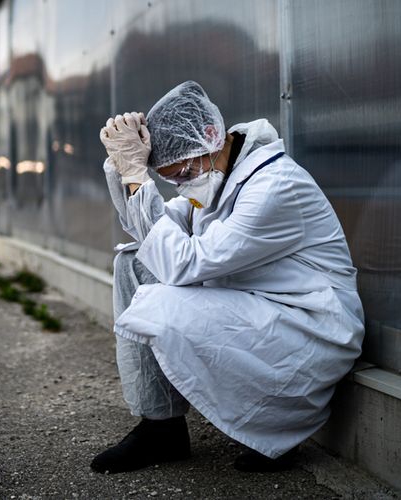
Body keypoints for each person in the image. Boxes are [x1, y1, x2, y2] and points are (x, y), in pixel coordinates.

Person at [92, 81, 364, 474]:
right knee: (134, 263)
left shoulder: (275, 185)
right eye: (175, 180)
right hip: (257, 308)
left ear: (209, 136)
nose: (184, 186)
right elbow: (151, 235)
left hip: (308, 325)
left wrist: (138, 175)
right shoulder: (217, 173)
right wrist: (123, 169)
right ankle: (161, 427)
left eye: (184, 173)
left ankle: (278, 425)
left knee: (163, 301)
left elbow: (183, 264)